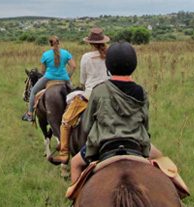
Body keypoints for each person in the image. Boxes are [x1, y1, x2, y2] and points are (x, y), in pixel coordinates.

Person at [69, 41, 164, 184]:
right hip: (135, 145)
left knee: (75, 164)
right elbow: (145, 125)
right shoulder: (141, 92)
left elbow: (87, 125)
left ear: (109, 65)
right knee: (160, 157)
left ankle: (74, 204)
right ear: (133, 65)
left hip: (103, 146)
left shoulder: (98, 91)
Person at [49, 27, 110, 164]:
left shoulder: (86, 57)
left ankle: (64, 154)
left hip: (90, 96)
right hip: (108, 94)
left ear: (90, 43)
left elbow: (83, 81)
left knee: (65, 121)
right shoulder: (109, 55)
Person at [23, 35, 76, 122]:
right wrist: (68, 77)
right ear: (59, 42)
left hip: (49, 77)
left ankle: (29, 114)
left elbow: (43, 71)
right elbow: (73, 66)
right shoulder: (66, 53)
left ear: (50, 44)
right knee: (74, 94)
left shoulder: (45, 55)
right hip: (64, 78)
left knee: (33, 91)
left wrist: (47, 75)